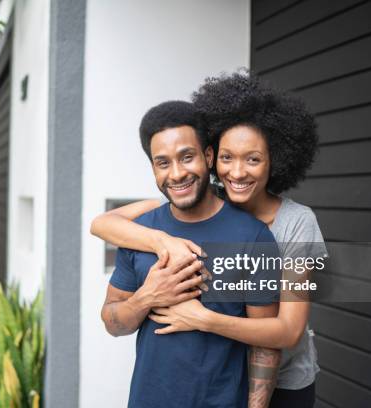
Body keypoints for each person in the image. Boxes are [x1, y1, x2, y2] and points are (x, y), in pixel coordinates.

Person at [92, 72, 326, 408]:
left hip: (285, 382)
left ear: (275, 159)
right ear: (213, 157)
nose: (238, 172)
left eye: (253, 159)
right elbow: (104, 224)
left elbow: (288, 331)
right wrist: (162, 242)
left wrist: (201, 318)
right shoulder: (193, 198)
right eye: (228, 157)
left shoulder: (295, 224)